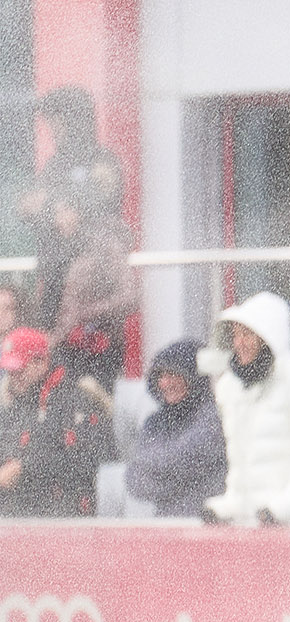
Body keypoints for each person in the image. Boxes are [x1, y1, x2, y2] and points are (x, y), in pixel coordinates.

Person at [197, 291, 290, 524]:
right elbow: (240, 460)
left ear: (268, 338)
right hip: (257, 523)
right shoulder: (231, 388)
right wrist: (236, 504)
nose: (238, 343)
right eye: (235, 335)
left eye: (247, 335)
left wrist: (283, 507)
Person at [17, 86, 125, 330]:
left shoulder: (102, 161)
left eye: (57, 122)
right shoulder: (53, 165)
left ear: (75, 120)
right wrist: (53, 209)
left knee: (94, 355)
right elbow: (30, 208)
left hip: (94, 283)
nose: (52, 130)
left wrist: (56, 208)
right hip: (55, 278)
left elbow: (94, 208)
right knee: (50, 354)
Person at [0, 327, 109, 516]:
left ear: (41, 362)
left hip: (63, 516)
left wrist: (24, 469)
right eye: (10, 371)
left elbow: (85, 461)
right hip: (18, 515)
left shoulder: (74, 399)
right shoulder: (17, 401)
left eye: (19, 369)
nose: (13, 377)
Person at [125, 338, 226, 517]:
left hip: (206, 526)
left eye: (173, 374)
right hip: (165, 530)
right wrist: (182, 479)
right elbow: (134, 481)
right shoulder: (154, 423)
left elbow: (188, 457)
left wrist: (155, 471)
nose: (165, 383)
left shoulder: (214, 417)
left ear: (194, 377)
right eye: (160, 376)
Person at [48, 193, 139, 389]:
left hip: (100, 345)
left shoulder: (104, 246)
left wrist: (91, 312)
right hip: (68, 345)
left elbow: (130, 296)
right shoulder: (61, 249)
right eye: (55, 213)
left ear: (80, 211)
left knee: (97, 405)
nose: (59, 219)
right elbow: (64, 306)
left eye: (65, 211)